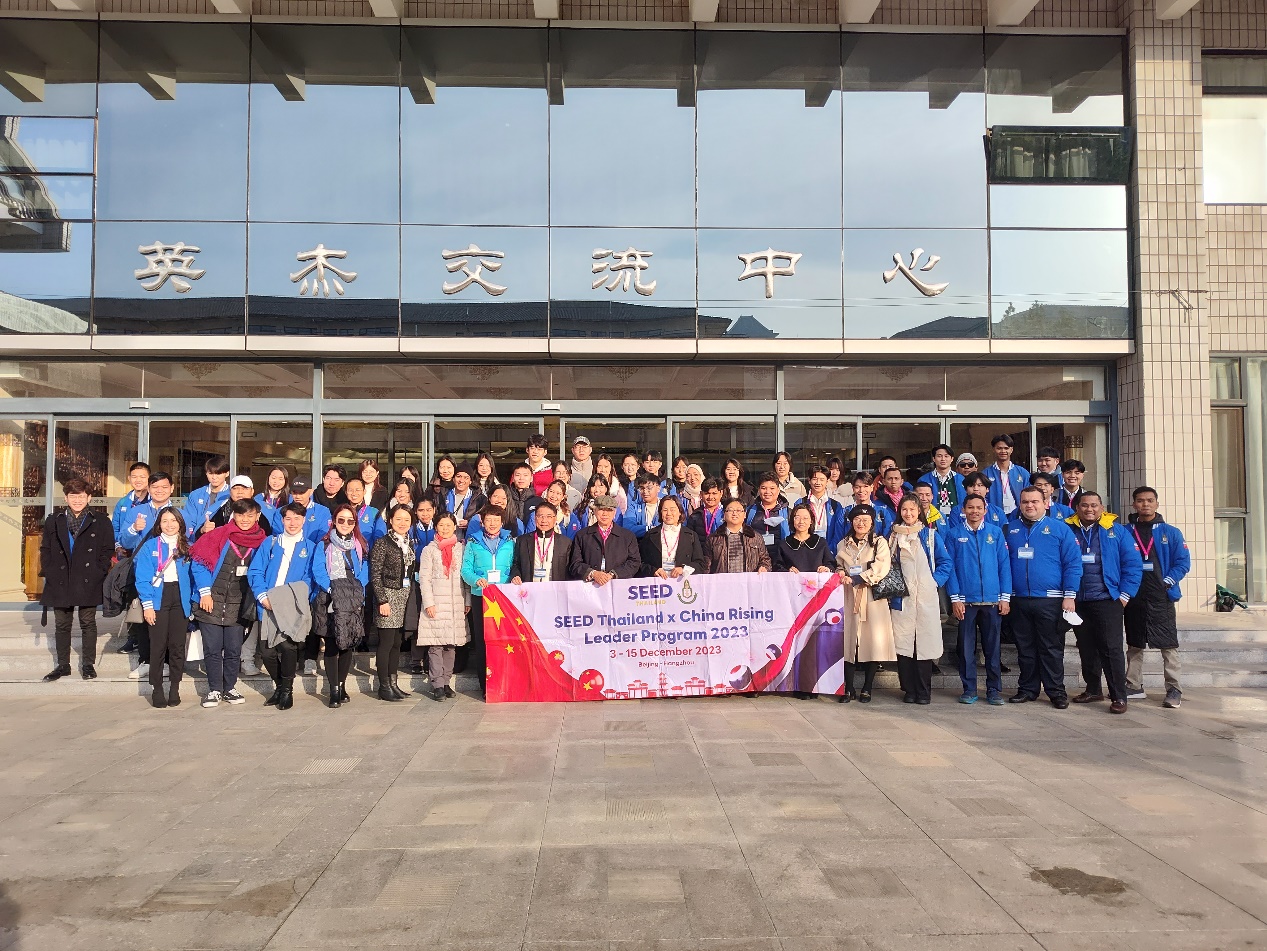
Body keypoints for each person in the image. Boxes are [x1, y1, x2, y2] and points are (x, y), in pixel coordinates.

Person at [1004, 486, 1082, 708]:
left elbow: (1073, 564)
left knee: (1051, 648)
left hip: (1051, 599)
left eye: (1034, 501)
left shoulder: (1060, 529)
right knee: (1025, 648)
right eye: (1025, 502)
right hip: (1019, 599)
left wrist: (1070, 595)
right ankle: (1027, 689)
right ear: (1019, 504)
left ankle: (1056, 691)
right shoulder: (1010, 529)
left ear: (1046, 503)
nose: (1029, 505)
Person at [1066, 493, 1143, 714]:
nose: (1089, 509)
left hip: (1107, 599)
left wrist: (1124, 595)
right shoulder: (1068, 529)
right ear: (1077, 508)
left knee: (1111, 649)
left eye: (1094, 505)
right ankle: (1093, 689)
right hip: (1079, 600)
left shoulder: (1117, 531)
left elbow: (1133, 565)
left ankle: (1119, 695)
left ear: (1101, 507)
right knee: (1086, 647)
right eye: (1084, 505)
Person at [191, 497, 267, 708]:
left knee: (234, 650)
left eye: (250, 515)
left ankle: (230, 688)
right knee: (213, 649)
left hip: (239, 604)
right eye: (241, 515)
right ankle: (215, 689)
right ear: (234, 515)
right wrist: (204, 592)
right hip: (211, 601)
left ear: (257, 516)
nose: (245, 519)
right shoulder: (218, 534)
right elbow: (198, 563)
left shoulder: (263, 541)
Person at [40, 477, 115, 683]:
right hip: (60, 578)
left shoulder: (101, 521)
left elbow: (107, 548)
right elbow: (45, 548)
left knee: (88, 622)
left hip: (88, 578)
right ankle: (63, 665)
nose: (77, 500)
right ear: (66, 498)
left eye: (81, 496)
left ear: (89, 497)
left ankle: (88, 664)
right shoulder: (54, 520)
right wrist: (49, 570)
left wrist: (99, 570)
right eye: (73, 496)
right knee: (62, 624)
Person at [1125, 486, 1191, 708]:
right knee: (1134, 643)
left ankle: (1174, 689)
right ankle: (1133, 685)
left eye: (1150, 500)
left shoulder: (1171, 532)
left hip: (1161, 595)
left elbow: (1183, 562)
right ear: (1134, 504)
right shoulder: (1125, 531)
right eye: (1140, 500)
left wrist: (1167, 582)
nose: (1145, 504)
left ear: (1157, 504)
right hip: (1134, 595)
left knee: (1168, 645)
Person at [248, 502, 318, 707]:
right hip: (267, 604)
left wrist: (289, 599)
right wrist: (263, 597)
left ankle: (287, 691)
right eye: (288, 518)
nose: (292, 523)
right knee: (267, 651)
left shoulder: (310, 547)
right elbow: (256, 571)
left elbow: (309, 579)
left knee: (288, 647)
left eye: (297, 518)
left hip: (291, 606)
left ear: (304, 520)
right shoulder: (270, 543)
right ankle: (279, 686)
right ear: (282, 520)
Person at [888, 494, 954, 705]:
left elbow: (945, 562)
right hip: (902, 598)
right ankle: (908, 689)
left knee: (924, 644)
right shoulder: (893, 537)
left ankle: (924, 691)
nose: (908, 514)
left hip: (926, 596)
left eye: (912, 510)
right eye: (904, 510)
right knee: (904, 644)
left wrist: (934, 582)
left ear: (919, 512)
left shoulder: (930, 536)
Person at [946, 495, 1011, 705]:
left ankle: (994, 690)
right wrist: (955, 599)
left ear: (985, 510)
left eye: (979, 508)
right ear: (963, 510)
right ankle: (969, 689)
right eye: (970, 507)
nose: (974, 511)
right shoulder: (954, 534)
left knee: (993, 648)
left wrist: (1005, 597)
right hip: (966, 601)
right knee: (966, 649)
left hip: (992, 601)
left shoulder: (995, 533)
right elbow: (950, 568)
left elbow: (1004, 565)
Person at [118, 470, 177, 681]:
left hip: (171, 577)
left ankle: (167, 662)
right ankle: (146, 661)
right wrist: (134, 529)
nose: (159, 491)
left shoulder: (179, 513)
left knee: (168, 622)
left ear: (172, 488)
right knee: (144, 620)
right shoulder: (137, 512)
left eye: (164, 487)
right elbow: (124, 541)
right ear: (149, 489)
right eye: (155, 487)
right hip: (142, 575)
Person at [132, 507, 193, 707]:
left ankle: (174, 687)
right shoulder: (150, 546)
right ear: (159, 524)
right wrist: (148, 606)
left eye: (173, 520)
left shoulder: (188, 547)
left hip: (180, 597)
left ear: (180, 523)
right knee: (158, 645)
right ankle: (157, 688)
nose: (169, 525)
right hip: (158, 597)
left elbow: (194, 577)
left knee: (177, 646)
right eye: (165, 521)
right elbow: (142, 578)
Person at [835, 505, 896, 703]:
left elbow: (881, 566)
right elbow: (839, 565)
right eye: (857, 520)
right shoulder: (843, 543)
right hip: (849, 596)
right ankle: (848, 688)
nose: (861, 523)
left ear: (872, 522)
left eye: (865, 520)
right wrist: (841, 573)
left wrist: (859, 577)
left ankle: (867, 687)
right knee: (848, 641)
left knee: (872, 641)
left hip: (872, 596)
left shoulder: (879, 542)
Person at [312, 503, 370, 709]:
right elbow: (318, 569)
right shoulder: (324, 545)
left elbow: (365, 570)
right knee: (332, 644)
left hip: (353, 599)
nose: (345, 524)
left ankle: (343, 685)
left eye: (350, 521)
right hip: (331, 598)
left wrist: (357, 590)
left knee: (347, 644)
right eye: (341, 520)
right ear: (334, 521)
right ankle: (334, 689)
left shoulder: (360, 545)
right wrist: (332, 589)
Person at [461, 505, 516, 699]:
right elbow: (465, 569)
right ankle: (486, 686)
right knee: (483, 640)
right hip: (481, 596)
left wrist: (513, 578)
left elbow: (515, 566)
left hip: (504, 596)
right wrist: (476, 580)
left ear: (502, 522)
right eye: (488, 520)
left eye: (496, 520)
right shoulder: (473, 542)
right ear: (482, 522)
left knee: (505, 640)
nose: (492, 524)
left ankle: (506, 682)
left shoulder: (510, 541)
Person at [418, 512, 470, 702]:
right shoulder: (429, 550)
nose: (445, 528)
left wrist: (467, 600)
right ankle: (437, 684)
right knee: (436, 646)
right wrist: (429, 603)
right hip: (437, 604)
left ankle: (447, 681)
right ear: (436, 527)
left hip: (456, 603)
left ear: (455, 527)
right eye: (441, 525)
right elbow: (424, 579)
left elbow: (465, 577)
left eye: (449, 525)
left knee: (451, 646)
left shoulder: (461, 549)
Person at [370, 504, 418, 702]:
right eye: (398, 519)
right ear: (390, 520)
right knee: (386, 643)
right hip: (388, 596)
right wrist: (382, 600)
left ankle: (393, 683)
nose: (402, 523)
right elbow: (375, 573)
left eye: (406, 519)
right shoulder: (383, 543)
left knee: (397, 643)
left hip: (404, 595)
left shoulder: (409, 542)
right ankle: (383, 686)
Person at [568, 495, 641, 585]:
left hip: (619, 586)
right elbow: (575, 564)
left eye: (609, 510)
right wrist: (593, 573)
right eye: (601, 509)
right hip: (590, 587)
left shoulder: (627, 536)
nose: (605, 514)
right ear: (595, 511)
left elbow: (634, 562)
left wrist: (613, 574)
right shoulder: (582, 535)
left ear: (614, 513)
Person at [638, 496, 705, 578]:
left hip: (681, 582)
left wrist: (683, 569)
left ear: (680, 512)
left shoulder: (691, 536)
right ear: (660, 512)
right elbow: (640, 562)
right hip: (657, 582)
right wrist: (653, 571)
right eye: (665, 510)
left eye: (672, 510)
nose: (668, 513)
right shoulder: (650, 535)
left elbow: (700, 564)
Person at [703, 498, 772, 574]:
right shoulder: (713, 539)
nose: (734, 513)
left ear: (745, 514)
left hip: (749, 580)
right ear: (724, 514)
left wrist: (764, 567)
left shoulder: (755, 537)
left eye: (738, 510)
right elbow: (706, 566)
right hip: (722, 581)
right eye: (730, 510)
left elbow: (765, 560)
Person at [511, 501, 573, 583]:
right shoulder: (523, 541)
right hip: (530, 587)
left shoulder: (565, 543)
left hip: (554, 588)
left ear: (555, 519)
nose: (544, 520)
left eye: (549, 516)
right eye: (540, 516)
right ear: (535, 518)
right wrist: (516, 575)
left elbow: (570, 570)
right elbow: (516, 564)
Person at [796, 465, 846, 551]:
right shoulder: (800, 503)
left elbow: (838, 533)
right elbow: (795, 529)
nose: (818, 482)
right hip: (805, 550)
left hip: (829, 550)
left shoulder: (835, 505)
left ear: (827, 481)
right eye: (815, 479)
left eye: (822, 479)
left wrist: (829, 551)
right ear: (809, 480)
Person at [774, 502, 833, 574]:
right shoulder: (784, 544)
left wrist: (826, 569)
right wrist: (787, 571)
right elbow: (777, 566)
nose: (801, 521)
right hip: (793, 580)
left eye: (805, 518)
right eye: (797, 518)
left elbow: (830, 563)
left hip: (816, 581)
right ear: (792, 520)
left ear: (811, 521)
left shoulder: (820, 542)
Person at [181, 455, 231, 539]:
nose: (214, 477)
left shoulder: (232, 494)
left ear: (227, 473)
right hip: (198, 541)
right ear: (206, 473)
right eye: (210, 473)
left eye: (218, 473)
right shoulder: (196, 494)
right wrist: (201, 530)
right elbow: (188, 522)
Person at [748, 473, 790, 563]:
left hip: (781, 560)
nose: (767, 492)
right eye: (763, 488)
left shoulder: (789, 512)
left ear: (778, 490)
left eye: (772, 488)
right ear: (759, 490)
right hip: (755, 559)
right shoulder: (749, 511)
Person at [275, 476, 332, 543]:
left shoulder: (323, 512)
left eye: (302, 492)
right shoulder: (281, 511)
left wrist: (307, 547)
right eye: (294, 492)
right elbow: (278, 535)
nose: (298, 496)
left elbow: (323, 538)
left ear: (311, 491)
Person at [984, 435, 1028, 517]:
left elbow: (1029, 494)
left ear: (1011, 450)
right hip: (994, 515)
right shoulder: (986, 473)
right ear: (993, 449)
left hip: (1018, 514)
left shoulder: (1022, 472)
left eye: (1006, 448)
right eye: (999, 448)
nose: (1003, 451)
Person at [843, 471, 894, 538]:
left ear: (872, 487)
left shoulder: (882, 512)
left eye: (866, 486)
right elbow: (838, 539)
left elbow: (888, 537)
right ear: (853, 489)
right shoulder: (845, 512)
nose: (861, 490)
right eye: (857, 487)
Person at [917, 444, 963, 513]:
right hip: (931, 517)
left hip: (956, 517)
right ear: (934, 459)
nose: (943, 459)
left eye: (946, 456)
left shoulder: (960, 479)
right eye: (939, 456)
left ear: (952, 459)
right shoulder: (924, 480)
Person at [505, 463, 543, 532]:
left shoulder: (539, 501)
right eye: (518, 475)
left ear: (531, 478)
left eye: (525, 475)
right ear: (513, 478)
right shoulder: (506, 499)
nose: (521, 478)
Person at [446, 465, 482, 539]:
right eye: (458, 476)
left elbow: (484, 519)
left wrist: (470, 523)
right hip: (446, 538)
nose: (461, 480)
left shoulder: (479, 499)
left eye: (466, 478)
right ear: (453, 479)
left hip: (471, 539)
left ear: (470, 481)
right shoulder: (444, 495)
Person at [345, 477, 381, 547]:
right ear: (346, 493)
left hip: (367, 552)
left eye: (357, 490)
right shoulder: (341, 512)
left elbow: (380, 537)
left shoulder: (374, 512)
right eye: (350, 490)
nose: (354, 493)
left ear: (364, 491)